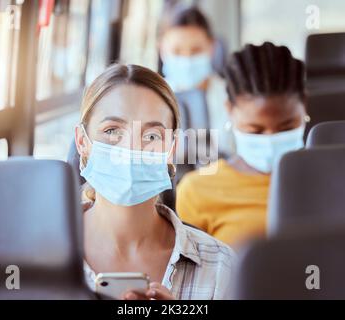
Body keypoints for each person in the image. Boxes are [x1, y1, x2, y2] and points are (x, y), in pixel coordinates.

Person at [75, 64, 236, 300]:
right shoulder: (37, 256)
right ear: (81, 142)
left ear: (172, 149)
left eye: (152, 136)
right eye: (111, 130)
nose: (130, 148)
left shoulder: (222, 268)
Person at [176, 42, 309, 249]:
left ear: (304, 106)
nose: (270, 139)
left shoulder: (333, 178)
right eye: (255, 130)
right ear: (229, 110)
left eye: (286, 127)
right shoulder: (196, 191)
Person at [158, 5, 233, 156]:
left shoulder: (232, 97)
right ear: (161, 49)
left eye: (196, 50)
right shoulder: (153, 97)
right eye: (177, 51)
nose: (187, 60)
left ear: (212, 48)